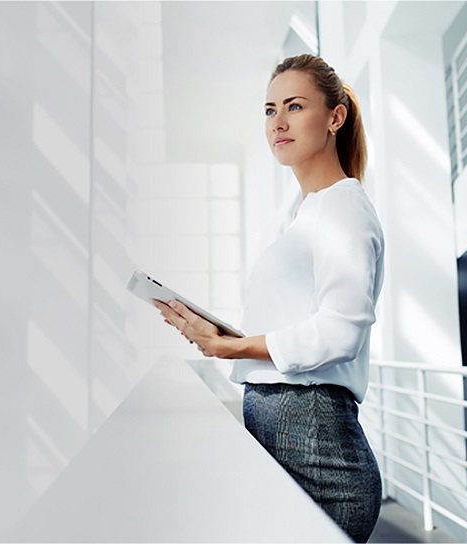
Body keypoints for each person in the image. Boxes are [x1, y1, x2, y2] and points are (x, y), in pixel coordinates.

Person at [153, 53, 384, 543]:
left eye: (295, 107)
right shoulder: (309, 214)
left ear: (335, 117)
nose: (278, 122)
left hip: (318, 450)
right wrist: (223, 338)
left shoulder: (343, 206)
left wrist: (233, 348)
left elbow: (341, 330)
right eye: (269, 110)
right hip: (289, 431)